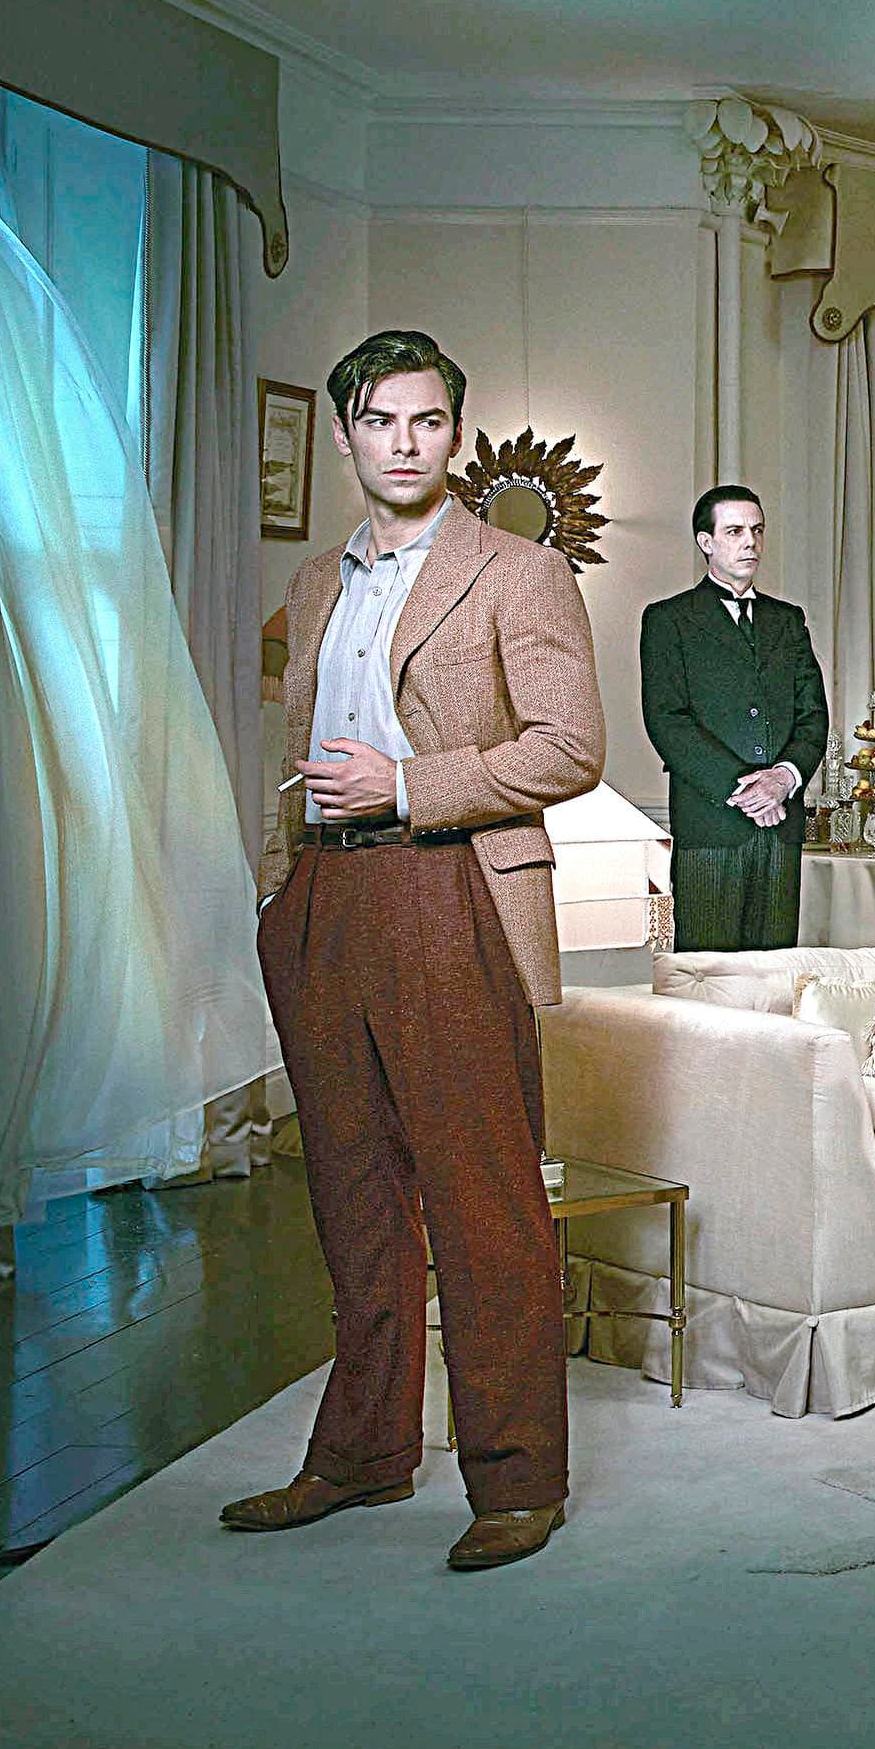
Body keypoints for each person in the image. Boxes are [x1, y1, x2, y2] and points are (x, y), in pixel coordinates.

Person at [224, 330, 604, 1572]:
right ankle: (362, 1452)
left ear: (455, 434)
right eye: (380, 420)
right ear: (345, 435)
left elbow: (568, 747)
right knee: (350, 1191)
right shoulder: (312, 585)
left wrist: (405, 786)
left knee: (482, 1197)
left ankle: (517, 1477)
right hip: (324, 900)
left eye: (427, 420)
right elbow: (296, 751)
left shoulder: (518, 571)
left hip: (450, 890)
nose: (404, 442)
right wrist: (280, 896)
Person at [639, 485, 828, 951]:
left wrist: (783, 780)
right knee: (707, 974)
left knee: (775, 973)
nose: (751, 542)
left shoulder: (788, 620)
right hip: (710, 826)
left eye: (757, 531)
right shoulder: (668, 619)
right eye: (735, 531)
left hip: (780, 827)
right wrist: (746, 791)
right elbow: (667, 721)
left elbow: (813, 716)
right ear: (706, 542)